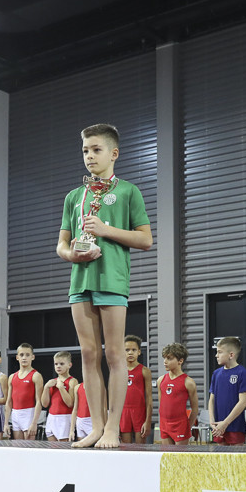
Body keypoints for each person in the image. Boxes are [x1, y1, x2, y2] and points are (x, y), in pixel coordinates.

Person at [56, 123, 152, 449]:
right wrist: (71, 255)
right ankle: (96, 427)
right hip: (80, 280)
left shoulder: (128, 192)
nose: (89, 156)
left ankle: (112, 427)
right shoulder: (73, 197)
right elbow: (62, 244)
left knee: (113, 353)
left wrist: (105, 230)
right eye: (85, 150)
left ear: (114, 154)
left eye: (96, 150)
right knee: (87, 353)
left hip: (112, 280)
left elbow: (145, 239)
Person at [208, 336, 246, 444]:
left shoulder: (242, 373)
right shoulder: (216, 374)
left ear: (231, 355)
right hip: (218, 426)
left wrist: (226, 423)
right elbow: (211, 399)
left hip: (235, 427)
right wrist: (212, 421)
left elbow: (242, 402)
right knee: (219, 454)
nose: (216, 355)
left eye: (219, 352)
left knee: (236, 455)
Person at [158, 342, 198, 445]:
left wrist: (187, 427)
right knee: (167, 454)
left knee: (179, 455)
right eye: (164, 358)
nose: (165, 361)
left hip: (180, 425)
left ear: (180, 361)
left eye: (169, 358)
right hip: (164, 424)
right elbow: (161, 405)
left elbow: (195, 409)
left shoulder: (188, 382)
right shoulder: (161, 380)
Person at [3, 343, 43, 440]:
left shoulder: (36, 376)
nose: (24, 358)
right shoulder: (12, 377)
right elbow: (9, 401)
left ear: (32, 357)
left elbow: (39, 401)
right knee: (17, 446)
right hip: (15, 414)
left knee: (28, 446)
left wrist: (34, 423)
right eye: (21, 355)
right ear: (17, 357)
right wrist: (6, 423)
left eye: (27, 355)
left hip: (28, 414)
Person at [119, 335, 153, 444]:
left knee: (140, 448)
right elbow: (115, 398)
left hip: (139, 412)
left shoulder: (145, 371)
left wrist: (148, 421)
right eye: (127, 350)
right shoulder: (118, 372)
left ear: (139, 352)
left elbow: (149, 399)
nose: (130, 353)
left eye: (133, 350)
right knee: (125, 448)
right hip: (123, 412)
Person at [42, 352, 79, 443]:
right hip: (51, 417)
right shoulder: (52, 382)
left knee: (63, 447)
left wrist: (61, 388)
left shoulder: (72, 381)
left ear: (69, 365)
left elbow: (70, 404)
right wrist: (46, 387)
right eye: (56, 364)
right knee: (52, 447)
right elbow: (45, 404)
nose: (58, 366)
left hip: (65, 417)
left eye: (61, 364)